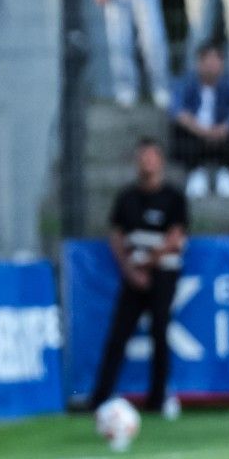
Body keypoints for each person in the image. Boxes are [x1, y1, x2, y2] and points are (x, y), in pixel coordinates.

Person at [85, 139, 188, 416]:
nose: (147, 163)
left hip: (163, 273)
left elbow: (176, 238)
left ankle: (157, 399)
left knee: (159, 331)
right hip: (132, 276)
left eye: (152, 157)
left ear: (160, 161)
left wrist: (148, 262)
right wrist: (131, 270)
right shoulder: (127, 197)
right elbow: (116, 236)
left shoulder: (173, 197)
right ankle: (99, 398)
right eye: (142, 158)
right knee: (118, 334)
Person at [167, 44, 229, 200]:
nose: (212, 67)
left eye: (216, 62)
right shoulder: (186, 82)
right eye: (208, 62)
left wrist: (224, 128)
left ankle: (226, 171)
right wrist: (201, 130)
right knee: (178, 128)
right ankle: (195, 171)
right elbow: (176, 109)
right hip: (195, 133)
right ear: (199, 63)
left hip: (222, 134)